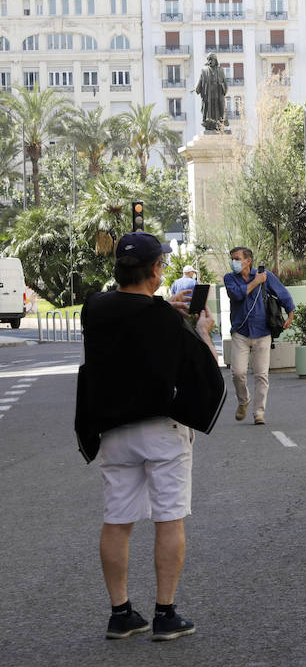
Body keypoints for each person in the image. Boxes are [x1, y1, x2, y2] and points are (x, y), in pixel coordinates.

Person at [75, 231, 224, 642]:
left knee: (117, 520)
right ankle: (165, 613)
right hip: (162, 430)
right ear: (157, 270)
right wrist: (203, 329)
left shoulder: (94, 310)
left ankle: (120, 613)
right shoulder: (165, 318)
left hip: (111, 431)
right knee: (168, 518)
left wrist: (161, 308)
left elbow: (121, 308)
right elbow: (207, 370)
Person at [222, 246, 295, 425]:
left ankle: (259, 413)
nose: (234, 262)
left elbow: (283, 293)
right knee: (238, 372)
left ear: (248, 260)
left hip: (262, 331)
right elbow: (237, 294)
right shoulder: (230, 278)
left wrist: (290, 314)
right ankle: (243, 400)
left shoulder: (266, 275)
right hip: (241, 331)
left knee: (262, 375)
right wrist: (256, 282)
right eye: (232, 259)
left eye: (237, 259)